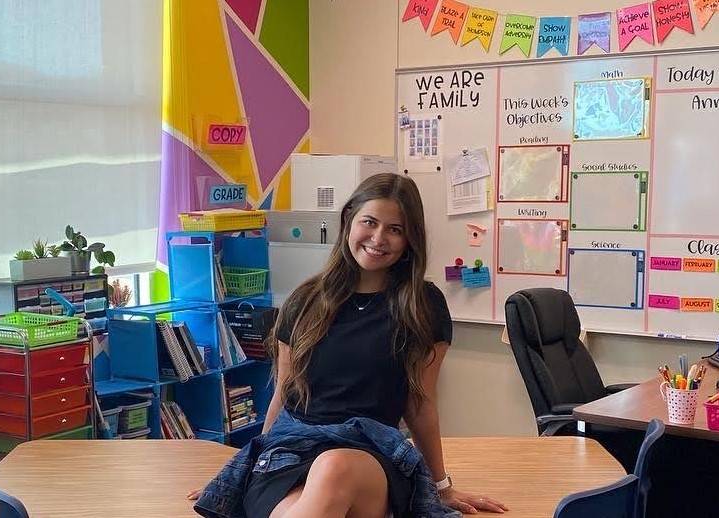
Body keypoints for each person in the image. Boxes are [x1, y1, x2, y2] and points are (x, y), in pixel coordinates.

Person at [190, 173, 507, 517]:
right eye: (369, 222)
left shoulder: (421, 305)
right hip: (290, 451)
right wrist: (246, 470)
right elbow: (283, 393)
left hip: (370, 456)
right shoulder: (306, 299)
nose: (378, 238)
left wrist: (441, 486)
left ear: (409, 240)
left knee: (333, 468)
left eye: (395, 229)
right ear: (349, 221)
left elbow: (420, 404)